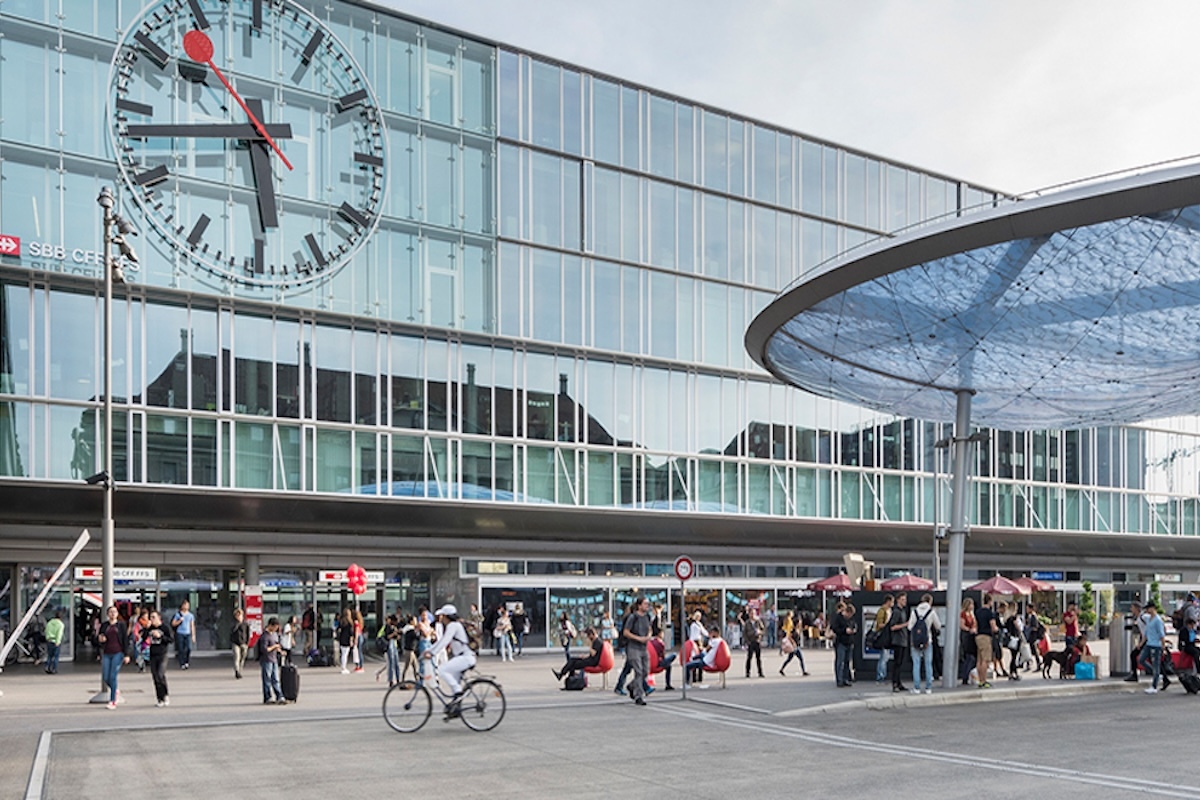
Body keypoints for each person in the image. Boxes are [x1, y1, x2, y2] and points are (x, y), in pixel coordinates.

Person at [424, 604, 477, 716]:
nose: (441, 618)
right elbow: (442, 641)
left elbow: (444, 642)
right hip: (463, 657)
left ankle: (458, 692)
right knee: (454, 680)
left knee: (442, 670)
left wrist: (432, 653)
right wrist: (429, 650)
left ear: (446, 616)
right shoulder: (455, 625)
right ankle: (455, 709)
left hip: (465, 657)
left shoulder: (453, 626)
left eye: (442, 616)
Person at [97, 606, 132, 709]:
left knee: (113, 675)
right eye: (110, 612)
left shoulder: (121, 625)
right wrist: (100, 639)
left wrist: (126, 654)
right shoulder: (104, 625)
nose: (112, 614)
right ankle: (114, 689)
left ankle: (113, 701)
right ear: (107, 614)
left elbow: (125, 640)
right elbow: (98, 638)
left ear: (117, 614)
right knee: (106, 677)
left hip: (118, 652)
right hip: (107, 653)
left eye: (114, 612)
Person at [907, 593, 941, 694]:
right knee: (928, 663)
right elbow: (938, 625)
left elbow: (909, 627)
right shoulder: (931, 612)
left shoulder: (915, 611)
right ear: (930, 601)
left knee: (916, 663)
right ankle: (928, 687)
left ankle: (916, 687)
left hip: (915, 641)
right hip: (927, 640)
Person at [622, 596, 652, 705]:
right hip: (633, 647)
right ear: (639, 606)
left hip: (644, 647)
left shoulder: (647, 617)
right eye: (645, 604)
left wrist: (648, 636)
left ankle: (631, 686)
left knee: (645, 671)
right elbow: (626, 632)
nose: (647, 606)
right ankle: (638, 696)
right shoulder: (632, 617)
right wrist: (638, 638)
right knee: (638, 671)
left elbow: (649, 629)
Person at [141, 609, 173, 707]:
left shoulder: (164, 628)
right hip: (153, 654)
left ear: (159, 618)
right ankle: (159, 698)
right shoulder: (150, 628)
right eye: (150, 617)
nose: (152, 619)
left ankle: (165, 695)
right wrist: (147, 628)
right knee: (155, 677)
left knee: (160, 675)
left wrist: (160, 636)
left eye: (154, 617)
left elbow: (170, 640)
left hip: (162, 654)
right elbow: (143, 637)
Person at [1139, 601, 1167, 693]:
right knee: (1141, 659)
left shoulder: (1158, 620)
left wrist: (1163, 647)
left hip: (1156, 645)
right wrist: (1141, 643)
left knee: (1156, 664)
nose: (1147, 610)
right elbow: (1146, 633)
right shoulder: (1148, 619)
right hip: (1148, 643)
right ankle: (1157, 675)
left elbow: (1161, 635)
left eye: (1148, 608)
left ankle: (1154, 686)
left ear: (1153, 608)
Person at [258, 617, 285, 704]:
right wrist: (274, 647)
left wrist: (280, 651)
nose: (276, 629)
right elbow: (264, 649)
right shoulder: (264, 636)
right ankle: (267, 697)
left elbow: (276, 645)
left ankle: (279, 696)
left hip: (274, 659)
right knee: (267, 679)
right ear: (270, 625)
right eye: (275, 627)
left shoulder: (274, 635)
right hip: (266, 660)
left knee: (275, 679)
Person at [974, 595, 998, 688]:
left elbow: (975, 624)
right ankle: (984, 680)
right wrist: (996, 630)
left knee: (979, 660)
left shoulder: (978, 612)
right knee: (985, 660)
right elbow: (993, 626)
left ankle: (980, 680)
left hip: (978, 636)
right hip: (986, 636)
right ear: (990, 601)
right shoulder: (989, 613)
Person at [887, 593, 910, 693]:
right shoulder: (896, 612)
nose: (905, 601)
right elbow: (892, 627)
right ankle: (895, 683)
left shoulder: (903, 611)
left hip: (903, 640)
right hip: (898, 640)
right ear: (898, 600)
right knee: (897, 663)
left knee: (899, 663)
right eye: (903, 599)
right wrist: (905, 624)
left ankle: (898, 682)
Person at [832, 603, 857, 687]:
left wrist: (853, 629)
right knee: (840, 661)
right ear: (847, 612)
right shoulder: (838, 618)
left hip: (849, 642)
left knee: (847, 662)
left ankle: (845, 679)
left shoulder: (851, 619)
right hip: (841, 642)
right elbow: (835, 628)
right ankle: (839, 680)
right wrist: (844, 630)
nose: (850, 617)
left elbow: (854, 624)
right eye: (849, 615)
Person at [873, 595, 894, 682]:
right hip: (883, 636)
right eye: (892, 601)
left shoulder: (889, 610)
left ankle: (882, 675)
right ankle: (880, 676)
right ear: (888, 601)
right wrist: (888, 626)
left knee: (885, 657)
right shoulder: (882, 611)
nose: (893, 603)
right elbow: (880, 624)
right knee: (883, 657)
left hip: (888, 636)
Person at [171, 599, 196, 670]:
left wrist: (193, 635)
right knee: (181, 649)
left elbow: (192, 625)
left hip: (187, 633)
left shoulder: (190, 615)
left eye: (187, 605)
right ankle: (182, 663)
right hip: (180, 633)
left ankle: (186, 661)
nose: (186, 606)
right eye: (185, 605)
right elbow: (173, 623)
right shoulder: (178, 614)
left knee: (188, 648)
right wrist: (179, 621)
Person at [1124, 601, 1146, 683]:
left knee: (1134, 655)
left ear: (1136, 609)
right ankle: (1134, 675)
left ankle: (1135, 675)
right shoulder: (1139, 617)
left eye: (1132, 608)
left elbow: (1146, 629)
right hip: (1144, 639)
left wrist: (1142, 642)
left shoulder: (1143, 617)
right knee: (1135, 655)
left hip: (1147, 640)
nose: (1131, 609)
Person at [959, 597, 979, 685]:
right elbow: (961, 625)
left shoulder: (972, 614)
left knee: (972, 657)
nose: (972, 606)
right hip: (966, 636)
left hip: (972, 636)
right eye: (971, 604)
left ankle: (968, 675)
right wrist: (969, 629)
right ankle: (965, 676)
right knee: (969, 657)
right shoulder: (963, 614)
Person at [743, 609, 765, 678]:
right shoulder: (747, 623)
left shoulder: (758, 621)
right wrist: (747, 642)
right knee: (749, 658)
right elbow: (744, 633)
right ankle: (747, 672)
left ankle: (760, 672)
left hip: (757, 641)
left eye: (754, 613)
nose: (752, 615)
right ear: (749, 614)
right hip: (750, 641)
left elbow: (763, 629)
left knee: (758, 658)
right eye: (751, 613)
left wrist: (760, 633)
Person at [230, 608, 250, 679]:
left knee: (242, 657)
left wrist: (247, 643)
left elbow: (248, 633)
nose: (239, 617)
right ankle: (237, 671)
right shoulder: (234, 623)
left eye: (240, 615)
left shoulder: (245, 623)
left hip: (243, 643)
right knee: (237, 657)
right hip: (236, 643)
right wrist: (237, 624)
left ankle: (240, 669)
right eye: (237, 615)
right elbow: (232, 631)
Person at [43, 610, 64, 675]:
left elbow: (46, 630)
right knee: (56, 656)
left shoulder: (49, 623)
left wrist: (48, 638)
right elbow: (59, 634)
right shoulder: (60, 624)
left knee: (49, 655)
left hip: (49, 640)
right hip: (55, 641)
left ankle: (47, 667)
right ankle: (54, 669)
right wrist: (58, 641)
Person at [337, 608, 355, 674]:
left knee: (343, 653)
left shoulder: (341, 621)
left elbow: (338, 629)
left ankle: (343, 667)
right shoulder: (350, 622)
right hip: (347, 639)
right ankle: (344, 667)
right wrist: (351, 640)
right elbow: (351, 632)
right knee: (345, 654)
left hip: (342, 639)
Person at [353, 608, 365, 673]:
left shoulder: (356, 622)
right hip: (361, 636)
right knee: (359, 651)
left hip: (358, 636)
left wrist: (355, 639)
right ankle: (360, 665)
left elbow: (357, 631)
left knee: (358, 652)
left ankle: (360, 666)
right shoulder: (360, 621)